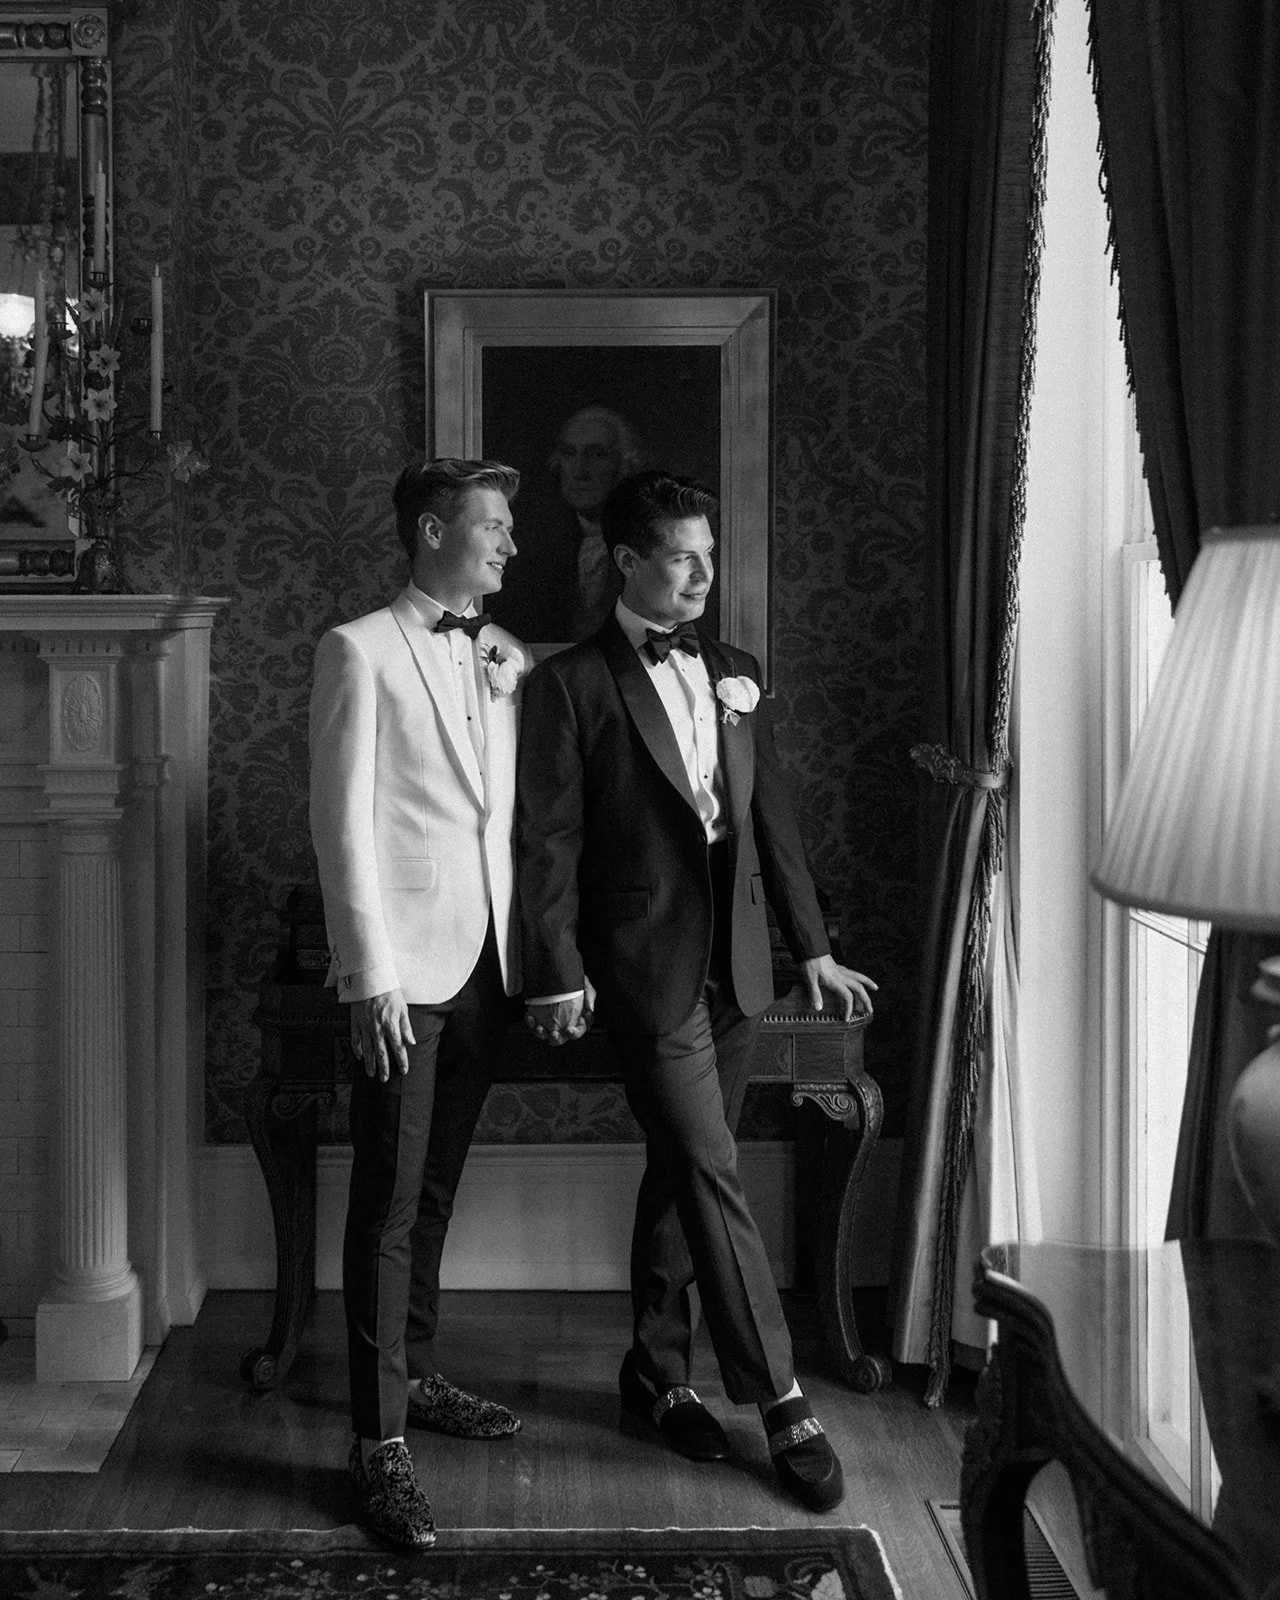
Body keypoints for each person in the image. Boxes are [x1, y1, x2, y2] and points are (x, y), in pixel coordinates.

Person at [516, 469, 877, 1513]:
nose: (701, 576)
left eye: (707, 556)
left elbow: (772, 815)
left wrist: (811, 948)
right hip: (643, 962)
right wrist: (555, 970)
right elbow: (547, 841)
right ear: (628, 560)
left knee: (683, 1168)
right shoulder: (569, 683)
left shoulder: (735, 671)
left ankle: (656, 1373)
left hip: (743, 958)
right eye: (681, 557)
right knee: (713, 1166)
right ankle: (781, 1399)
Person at [310, 458, 554, 1549]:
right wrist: (367, 973)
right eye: (492, 526)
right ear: (431, 530)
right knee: (387, 1202)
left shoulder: (507, 656)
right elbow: (339, 824)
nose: (510, 544)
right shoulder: (358, 649)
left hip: (489, 963)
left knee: (437, 1191)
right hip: (404, 971)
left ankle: (415, 1377)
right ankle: (377, 1444)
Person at [491, 405, 643, 642]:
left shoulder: (648, 545)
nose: (579, 471)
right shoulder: (532, 549)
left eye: (597, 455)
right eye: (570, 454)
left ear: (624, 465)